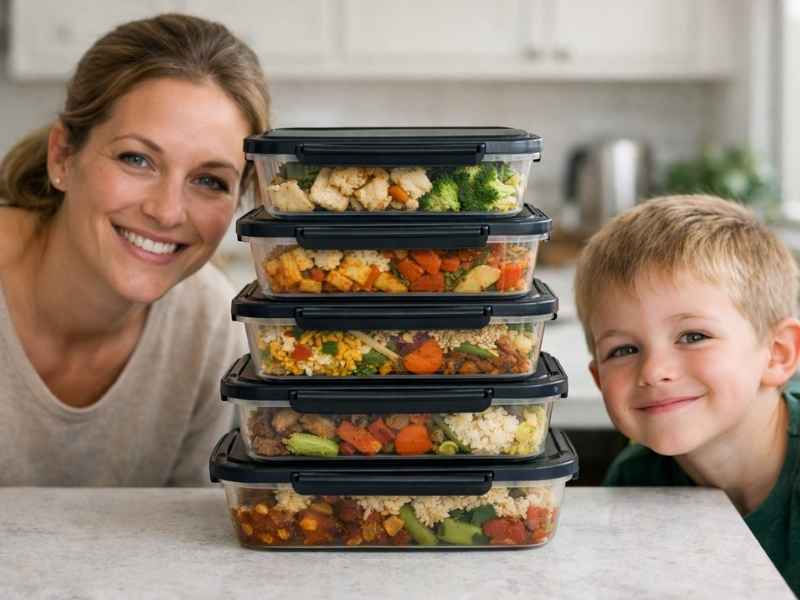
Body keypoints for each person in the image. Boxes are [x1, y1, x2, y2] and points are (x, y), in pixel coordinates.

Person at [0, 14, 270, 485]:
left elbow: (170, 538)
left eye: (209, 180)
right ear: (63, 156)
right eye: (137, 159)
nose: (167, 212)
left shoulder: (207, 329)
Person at [574, 194, 800, 594]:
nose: (654, 371)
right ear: (598, 377)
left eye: (694, 336)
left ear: (778, 354)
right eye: (623, 350)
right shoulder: (635, 481)